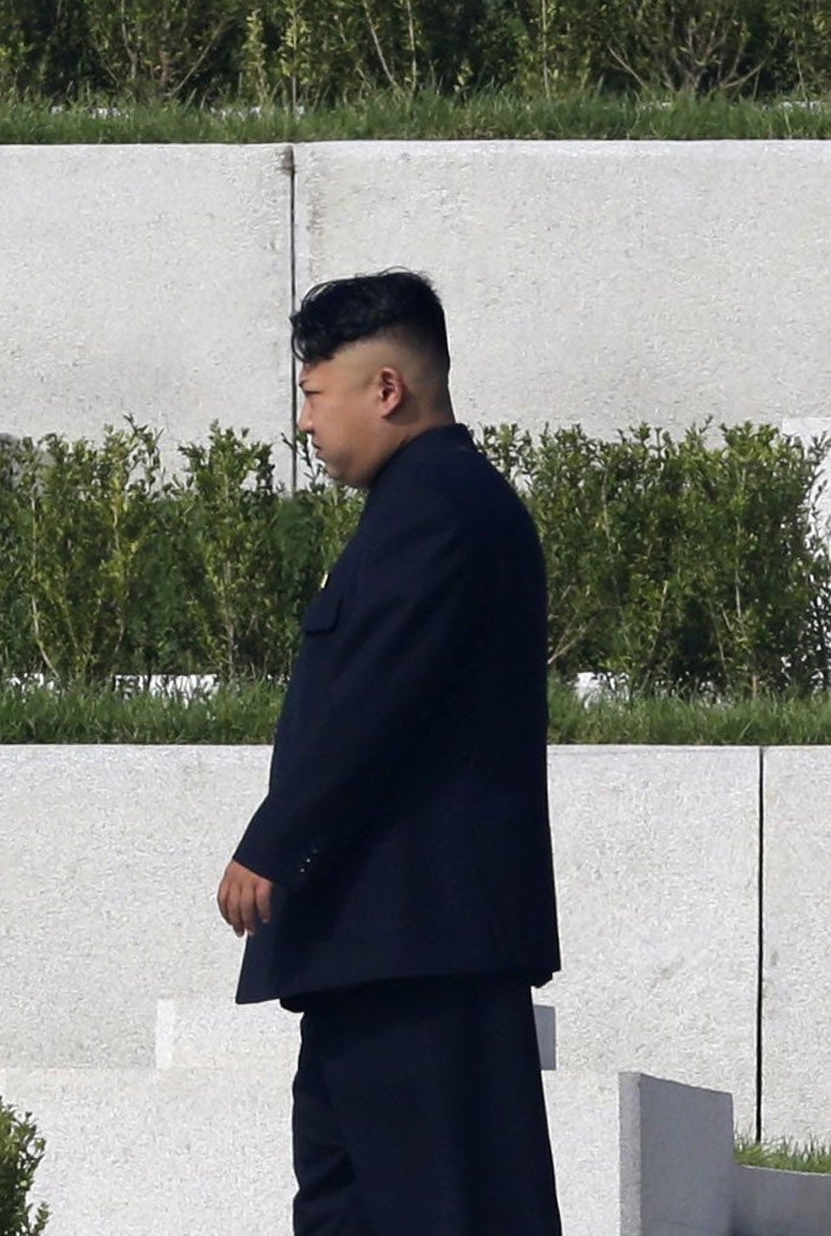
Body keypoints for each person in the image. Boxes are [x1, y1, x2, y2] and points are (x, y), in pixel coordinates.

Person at [216, 270, 562, 1236]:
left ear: (386, 389)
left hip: (416, 954)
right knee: (350, 1208)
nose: (306, 422)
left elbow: (376, 701)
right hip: (382, 952)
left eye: (315, 394)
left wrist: (274, 841)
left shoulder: (437, 507)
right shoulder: (427, 504)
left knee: (438, 1210)